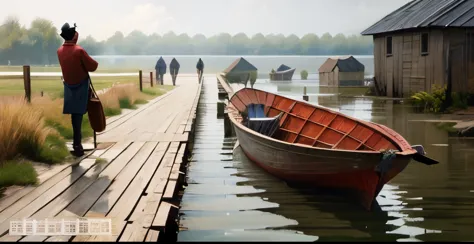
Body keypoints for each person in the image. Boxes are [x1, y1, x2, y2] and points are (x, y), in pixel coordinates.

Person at [57, 22, 98, 157]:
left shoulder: (60, 51)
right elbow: (93, 66)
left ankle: (77, 143)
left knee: (75, 116)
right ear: (73, 36)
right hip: (81, 86)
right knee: (87, 112)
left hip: (69, 86)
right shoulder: (79, 50)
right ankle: (78, 144)